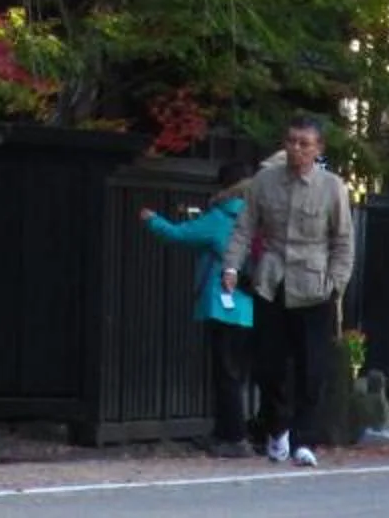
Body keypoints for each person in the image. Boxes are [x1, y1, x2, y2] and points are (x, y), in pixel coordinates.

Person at [219, 114, 355, 469]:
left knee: (313, 368)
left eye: (304, 143)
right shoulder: (264, 182)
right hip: (272, 281)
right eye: (291, 141)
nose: (296, 148)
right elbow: (244, 228)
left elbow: (343, 242)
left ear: (318, 149)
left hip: (315, 285)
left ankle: (304, 439)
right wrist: (232, 266)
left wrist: (336, 284)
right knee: (268, 365)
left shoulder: (332, 188)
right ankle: (277, 427)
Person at [142, 186, 256, 456]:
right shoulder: (256, 219)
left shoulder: (219, 219)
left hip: (221, 304)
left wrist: (152, 220)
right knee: (236, 375)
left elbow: (180, 234)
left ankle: (235, 437)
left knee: (224, 374)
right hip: (249, 306)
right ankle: (227, 433)